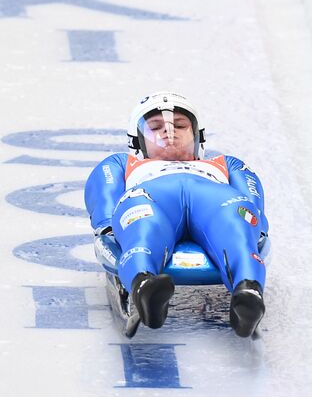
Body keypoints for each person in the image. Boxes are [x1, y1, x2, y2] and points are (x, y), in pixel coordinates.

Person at [85, 91, 269, 338]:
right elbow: (104, 191)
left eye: (180, 125)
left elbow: (250, 198)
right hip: (151, 195)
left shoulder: (227, 164)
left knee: (235, 224)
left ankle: (247, 293)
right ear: (138, 141)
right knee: (144, 225)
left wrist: (256, 226)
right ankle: (145, 288)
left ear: (196, 136)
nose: (168, 132)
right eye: (155, 127)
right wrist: (108, 227)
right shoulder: (123, 163)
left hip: (214, 197)